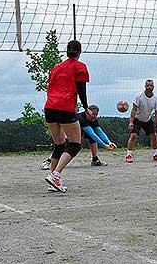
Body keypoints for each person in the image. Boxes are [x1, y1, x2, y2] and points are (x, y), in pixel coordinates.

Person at [44, 40, 92, 193]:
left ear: (67, 51)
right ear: (79, 52)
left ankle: (53, 179)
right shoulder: (80, 67)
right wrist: (85, 108)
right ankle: (56, 175)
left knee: (59, 145)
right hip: (65, 107)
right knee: (75, 144)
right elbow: (81, 90)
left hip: (50, 107)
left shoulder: (56, 68)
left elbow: (49, 87)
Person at [40, 104, 117, 170]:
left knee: (92, 139)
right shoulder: (81, 118)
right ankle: (48, 161)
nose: (94, 116)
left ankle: (95, 160)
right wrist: (104, 146)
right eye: (93, 114)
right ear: (87, 112)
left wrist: (109, 142)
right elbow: (92, 134)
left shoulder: (93, 120)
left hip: (80, 132)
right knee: (63, 146)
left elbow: (100, 132)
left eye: (96, 115)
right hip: (68, 130)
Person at [125, 79, 157, 163]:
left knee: (154, 135)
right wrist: (131, 122)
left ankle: (155, 155)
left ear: (153, 87)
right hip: (137, 119)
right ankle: (129, 155)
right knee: (133, 135)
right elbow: (134, 110)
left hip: (147, 119)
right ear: (145, 86)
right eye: (147, 85)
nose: (149, 87)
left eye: (151, 85)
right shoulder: (139, 96)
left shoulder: (156, 98)